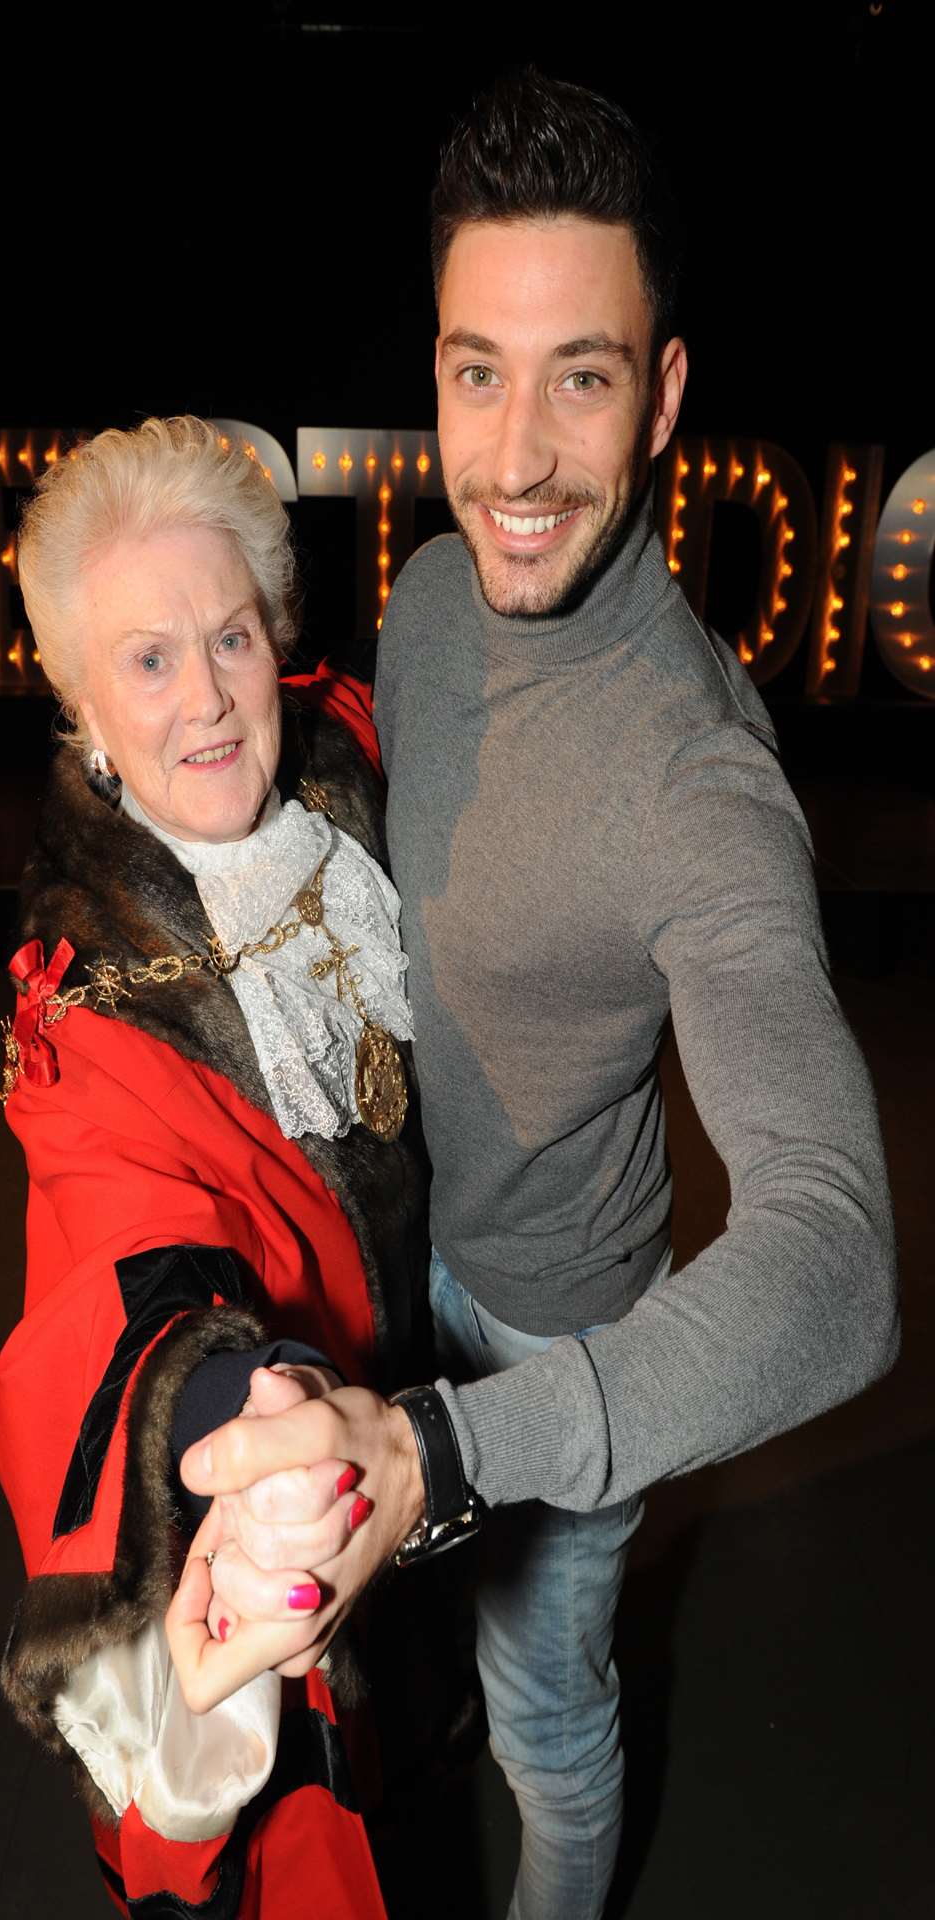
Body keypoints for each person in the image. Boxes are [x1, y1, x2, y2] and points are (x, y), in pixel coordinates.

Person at [173, 70, 900, 1920]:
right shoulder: (422, 597)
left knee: (549, 1728)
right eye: (476, 371)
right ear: (429, 369)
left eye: (579, 376)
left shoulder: (701, 781)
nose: (514, 459)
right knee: (393, 1660)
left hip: (563, 1344)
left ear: (663, 394)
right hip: (397, 1264)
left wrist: (453, 1443)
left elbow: (836, 1257)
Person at [0, 414, 430, 1917]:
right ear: (82, 706)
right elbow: (121, 1256)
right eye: (149, 660)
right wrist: (253, 1409)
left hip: (435, 1430)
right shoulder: (86, 1011)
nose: (208, 701)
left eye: (229, 637)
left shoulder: (348, 766)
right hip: (288, 1480)